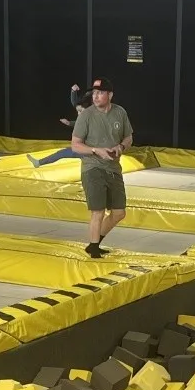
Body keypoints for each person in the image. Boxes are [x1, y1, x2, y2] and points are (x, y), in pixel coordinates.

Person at [70, 78, 133, 259]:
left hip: (113, 168)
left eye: (100, 93)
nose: (96, 96)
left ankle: (95, 243)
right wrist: (96, 150)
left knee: (119, 213)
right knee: (98, 211)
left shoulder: (120, 113)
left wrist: (120, 147)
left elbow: (129, 137)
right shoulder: (86, 116)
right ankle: (94, 248)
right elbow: (75, 145)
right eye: (94, 93)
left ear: (110, 95)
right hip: (93, 167)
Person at [29, 83, 91, 168]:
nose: (78, 114)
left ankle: (39, 163)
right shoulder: (85, 116)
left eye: (80, 112)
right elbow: (76, 105)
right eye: (78, 112)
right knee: (62, 153)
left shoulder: (92, 117)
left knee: (64, 153)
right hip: (85, 151)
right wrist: (73, 92)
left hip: (90, 153)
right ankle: (39, 163)